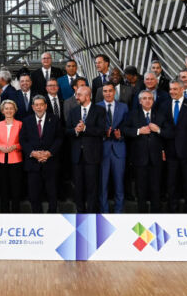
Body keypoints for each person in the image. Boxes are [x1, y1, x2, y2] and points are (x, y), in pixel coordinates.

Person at [121, 90, 172, 213]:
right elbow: (124, 129)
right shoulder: (132, 114)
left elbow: (170, 133)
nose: (148, 100)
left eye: (150, 98)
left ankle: (156, 217)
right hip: (139, 158)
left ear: (153, 101)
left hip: (156, 159)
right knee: (141, 190)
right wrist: (139, 131)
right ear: (140, 101)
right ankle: (142, 217)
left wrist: (158, 129)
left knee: (156, 189)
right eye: (144, 98)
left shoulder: (161, 115)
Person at [20, 95, 63, 213]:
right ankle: (37, 218)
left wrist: (49, 153)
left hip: (50, 163)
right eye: (36, 105)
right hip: (33, 164)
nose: (39, 107)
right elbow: (23, 140)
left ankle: (52, 217)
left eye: (41, 105)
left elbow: (59, 138)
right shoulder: (26, 121)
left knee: (52, 194)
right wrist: (33, 153)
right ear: (33, 107)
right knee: (34, 195)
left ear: (46, 106)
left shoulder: (54, 119)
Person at [164, 79, 187, 213]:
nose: (172, 92)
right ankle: (172, 211)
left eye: (175, 89)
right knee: (171, 184)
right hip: (170, 152)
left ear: (181, 90)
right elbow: (162, 128)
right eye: (171, 89)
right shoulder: (164, 104)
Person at [68, 85, 106, 213]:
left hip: (92, 155)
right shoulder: (73, 111)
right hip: (76, 156)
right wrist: (75, 130)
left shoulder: (100, 110)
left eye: (79, 94)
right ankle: (80, 212)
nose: (76, 97)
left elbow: (102, 130)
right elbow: (67, 131)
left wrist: (85, 128)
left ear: (88, 96)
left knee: (92, 187)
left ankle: (91, 213)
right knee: (78, 187)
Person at [97, 83, 128, 213]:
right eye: (105, 91)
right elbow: (95, 128)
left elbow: (128, 126)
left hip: (119, 149)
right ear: (102, 93)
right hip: (102, 149)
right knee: (102, 184)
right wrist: (105, 133)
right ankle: (104, 212)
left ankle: (118, 213)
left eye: (110, 91)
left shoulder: (124, 106)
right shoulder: (97, 107)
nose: (108, 93)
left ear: (114, 92)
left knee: (119, 184)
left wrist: (121, 134)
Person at [0, 100, 24, 212]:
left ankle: (16, 212)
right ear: (2, 110)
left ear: (15, 110)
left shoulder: (20, 124)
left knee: (15, 189)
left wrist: (15, 146)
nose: (8, 110)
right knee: (3, 188)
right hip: (0, 159)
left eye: (11, 108)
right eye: (6, 108)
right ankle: (4, 212)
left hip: (16, 159)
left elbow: (23, 142)